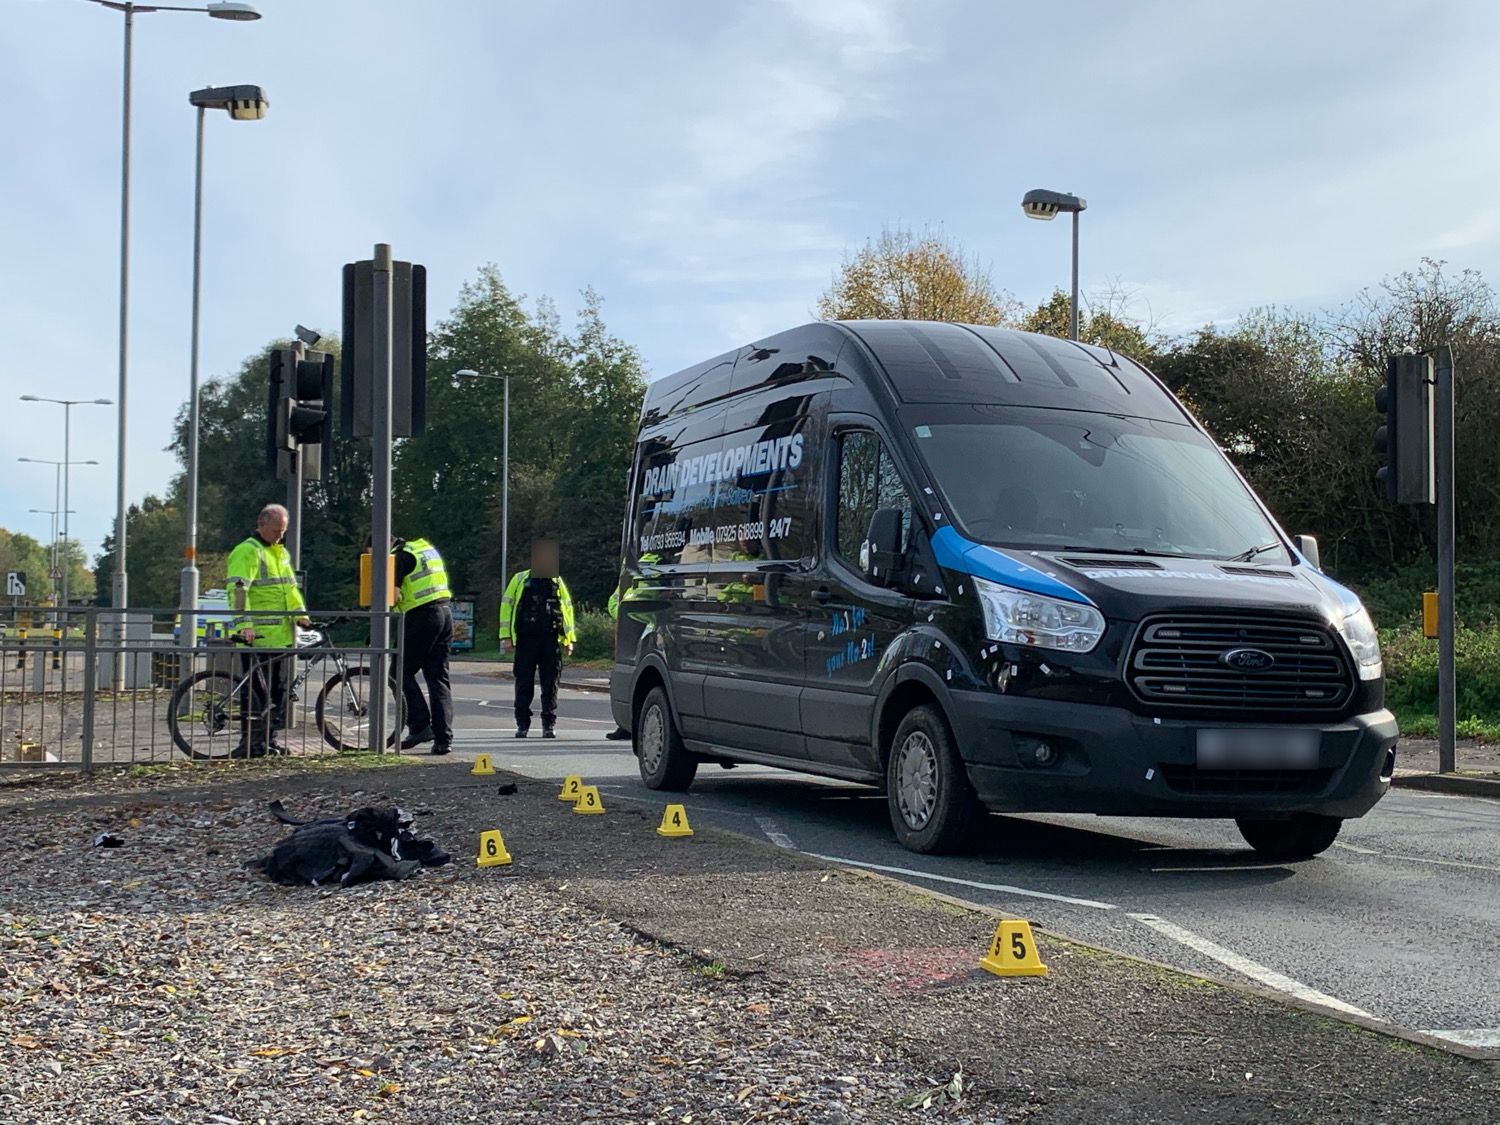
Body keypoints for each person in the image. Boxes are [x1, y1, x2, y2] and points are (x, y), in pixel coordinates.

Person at [226, 503, 309, 758]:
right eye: (276, 531)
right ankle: (250, 743)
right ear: (261, 525)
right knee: (256, 695)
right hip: (257, 637)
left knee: (276, 693)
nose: (279, 536)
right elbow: (238, 592)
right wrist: (244, 625)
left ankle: (268, 741)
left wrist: (301, 615)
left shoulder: (280, 554)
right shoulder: (247, 552)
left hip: (280, 637)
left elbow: (290, 589)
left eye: (283, 531)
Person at [498, 540, 575, 739]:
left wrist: (569, 639)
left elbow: (566, 610)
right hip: (525, 639)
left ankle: (548, 725)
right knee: (524, 684)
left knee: (551, 684)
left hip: (550, 640)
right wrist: (506, 636)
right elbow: (507, 607)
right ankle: (522, 724)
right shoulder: (520, 579)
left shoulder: (557, 581)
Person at [388, 534, 454, 755]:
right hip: (445, 613)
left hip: (422, 617)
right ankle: (443, 739)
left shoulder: (398, 557)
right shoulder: (422, 549)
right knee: (438, 677)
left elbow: (393, 597)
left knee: (398, 672)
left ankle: (420, 726)